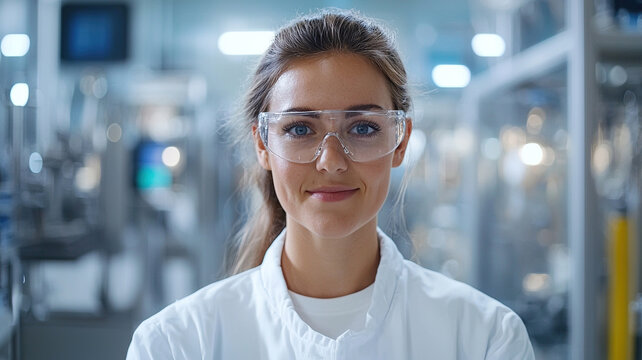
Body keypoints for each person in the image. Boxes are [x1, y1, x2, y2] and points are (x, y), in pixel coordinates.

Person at [126, 9, 535, 360]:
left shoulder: (484, 338)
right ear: (263, 146)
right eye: (301, 128)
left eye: (362, 127)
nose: (332, 161)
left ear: (400, 141)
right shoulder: (177, 344)